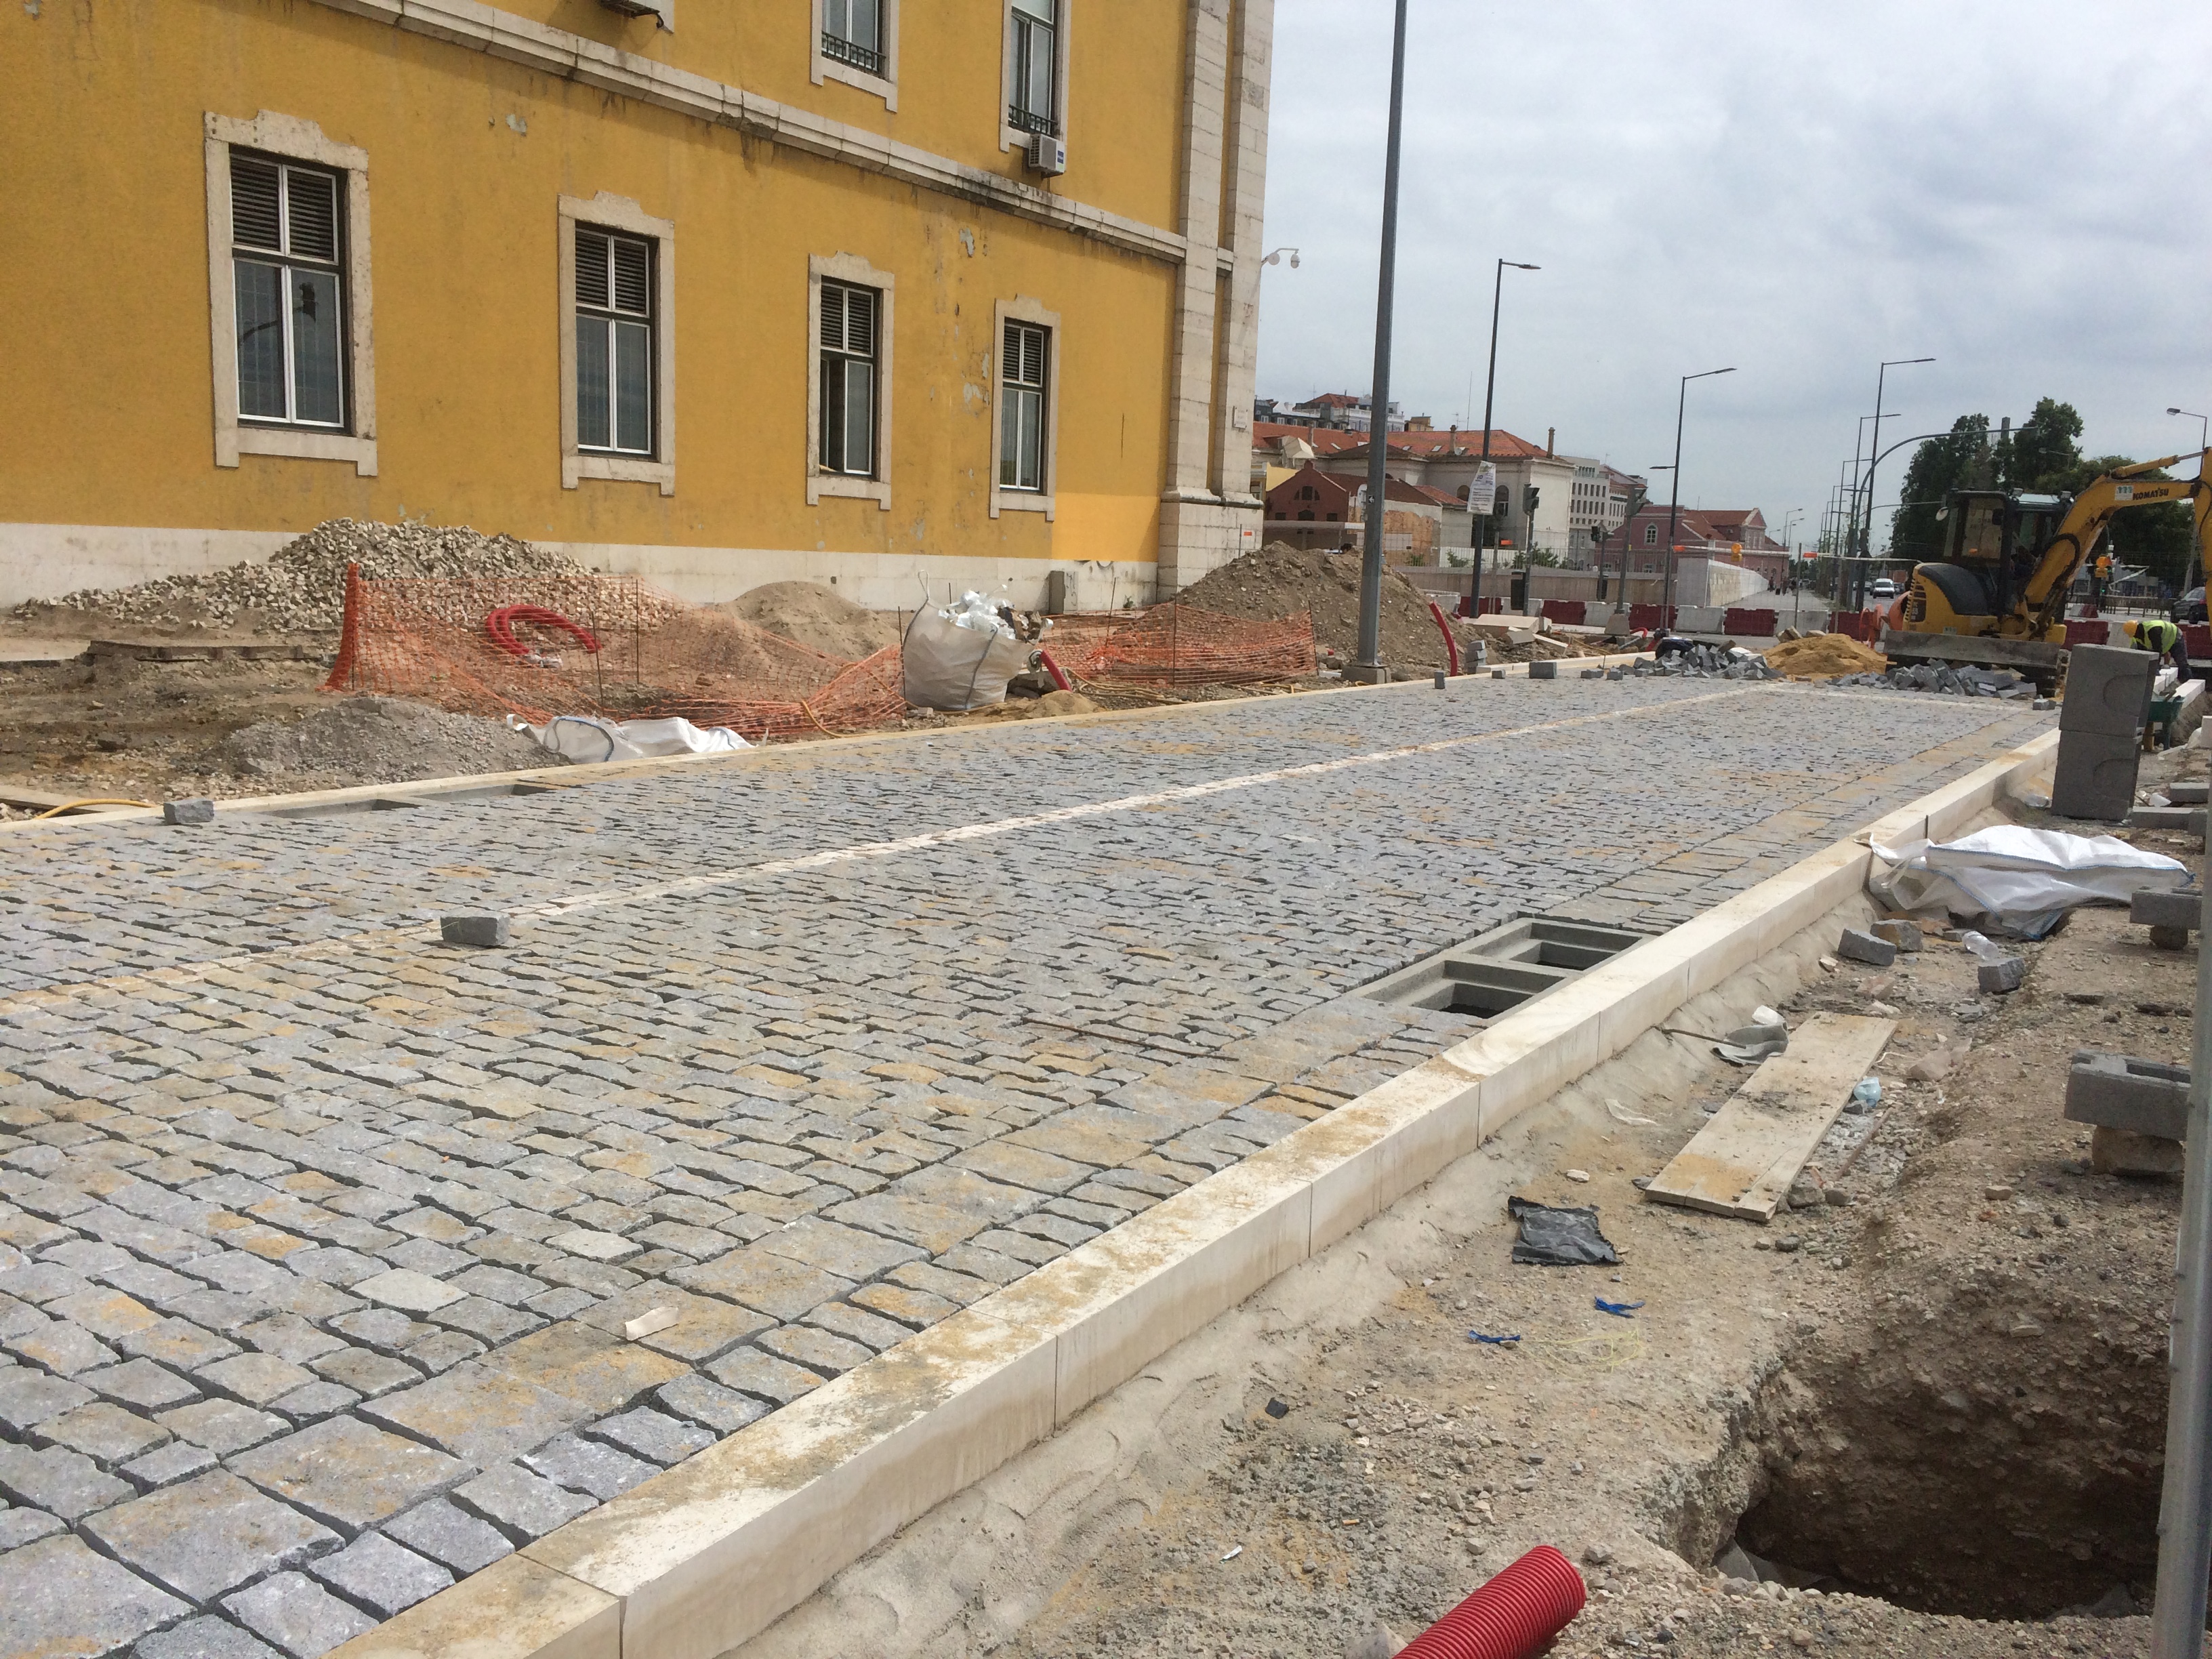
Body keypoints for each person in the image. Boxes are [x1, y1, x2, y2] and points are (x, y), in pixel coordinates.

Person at [2125, 617, 2192, 678]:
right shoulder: (2137, 636)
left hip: (2175, 636)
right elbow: (2142, 653)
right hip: (2165, 641)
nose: (2135, 637)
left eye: (2135, 635)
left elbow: (2157, 650)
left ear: (2137, 631)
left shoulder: (2153, 631)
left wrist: (2155, 668)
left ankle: (2189, 680)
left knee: (2182, 663)